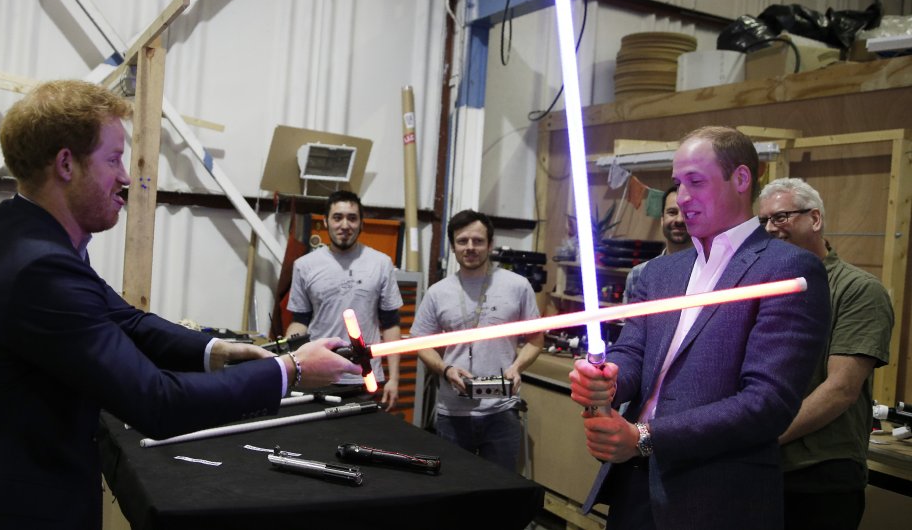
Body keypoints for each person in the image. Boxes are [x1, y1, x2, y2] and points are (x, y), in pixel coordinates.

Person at [0, 80, 361, 530]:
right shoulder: (39, 267)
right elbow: (157, 402)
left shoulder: (33, 237)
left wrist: (218, 351)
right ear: (66, 164)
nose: (126, 176)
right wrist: (292, 371)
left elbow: (124, 319)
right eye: (113, 158)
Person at [570, 126, 831, 530]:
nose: (682, 197)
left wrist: (644, 436)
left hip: (715, 497)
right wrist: (606, 380)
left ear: (741, 179)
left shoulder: (786, 270)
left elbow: (767, 403)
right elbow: (633, 351)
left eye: (696, 181)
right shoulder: (661, 273)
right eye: (678, 183)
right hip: (634, 488)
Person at [757, 178, 893, 530]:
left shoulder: (858, 290)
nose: (771, 228)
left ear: (814, 219)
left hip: (820, 476)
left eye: (781, 217)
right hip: (760, 469)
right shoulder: (761, 289)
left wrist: (761, 435)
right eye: (764, 221)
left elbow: (841, 390)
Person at [412, 209, 544, 471]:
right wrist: (446, 369)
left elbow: (536, 339)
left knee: (498, 492)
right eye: (462, 241)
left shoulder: (518, 286)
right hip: (452, 412)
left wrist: (517, 367)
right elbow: (420, 342)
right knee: (454, 490)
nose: (470, 247)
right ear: (452, 246)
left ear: (490, 244)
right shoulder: (438, 293)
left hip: (502, 411)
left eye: (478, 241)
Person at [286, 190, 404, 410]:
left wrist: (394, 378)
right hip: (319, 374)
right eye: (337, 217)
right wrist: (288, 361)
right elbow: (300, 320)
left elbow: (390, 324)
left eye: (352, 218)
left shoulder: (381, 263)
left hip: (365, 377)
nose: (345, 224)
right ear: (326, 222)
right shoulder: (304, 265)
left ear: (361, 224)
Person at [623, 183, 691, 303]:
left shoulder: (710, 274)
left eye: (686, 213)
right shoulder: (638, 275)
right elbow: (630, 321)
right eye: (672, 212)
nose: (679, 220)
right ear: (662, 220)